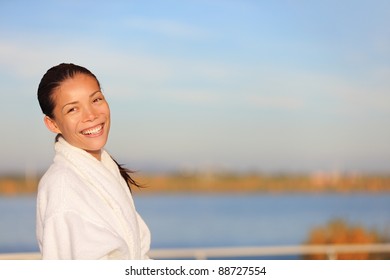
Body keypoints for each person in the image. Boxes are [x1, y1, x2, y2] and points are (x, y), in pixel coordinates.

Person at [36, 63, 151, 259]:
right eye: (73, 109)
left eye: (96, 99)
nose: (91, 115)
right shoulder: (63, 187)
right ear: (52, 123)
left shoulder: (105, 170)